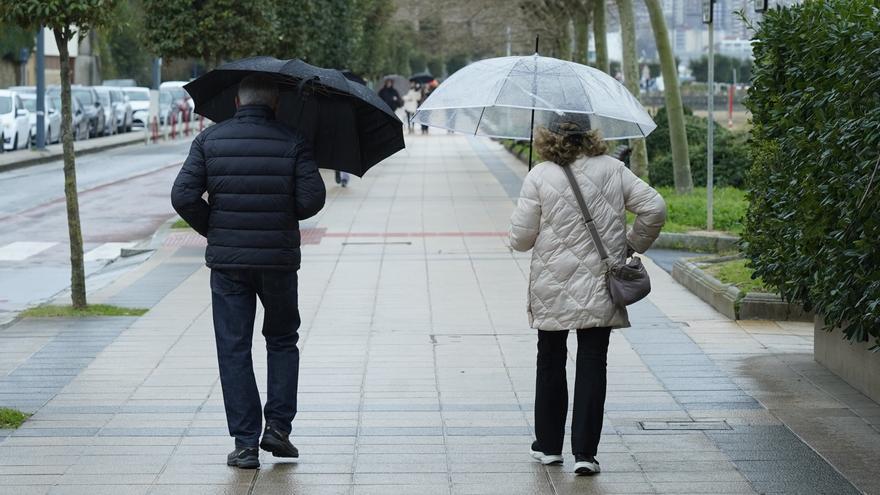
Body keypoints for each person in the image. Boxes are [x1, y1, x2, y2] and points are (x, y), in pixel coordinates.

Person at [171, 74, 326, 470]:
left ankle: (244, 445)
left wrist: (215, 227)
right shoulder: (293, 140)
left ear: (237, 103)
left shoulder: (209, 140)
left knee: (233, 346)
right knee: (282, 339)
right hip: (277, 261)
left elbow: (183, 195)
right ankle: (278, 428)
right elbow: (311, 201)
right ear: (275, 105)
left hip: (228, 265)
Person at [508, 117, 666, 475]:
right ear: (590, 135)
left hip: (552, 285)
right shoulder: (614, 169)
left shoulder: (540, 175)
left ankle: (548, 447)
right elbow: (655, 208)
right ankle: (585, 454)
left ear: (548, 137)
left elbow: (521, 240)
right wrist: (631, 243)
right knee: (593, 361)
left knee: (550, 359)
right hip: (600, 282)